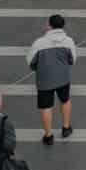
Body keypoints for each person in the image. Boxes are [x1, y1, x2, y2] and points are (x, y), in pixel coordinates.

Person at [27, 14, 76, 145]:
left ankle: (48, 136)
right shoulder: (69, 41)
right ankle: (66, 128)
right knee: (65, 100)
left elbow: (31, 61)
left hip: (44, 80)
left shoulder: (39, 43)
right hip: (63, 78)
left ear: (49, 25)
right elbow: (72, 60)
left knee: (46, 107)